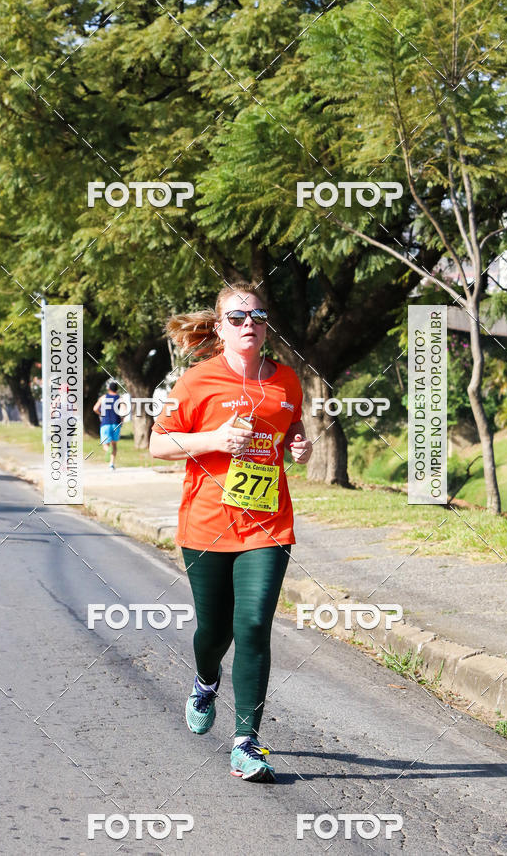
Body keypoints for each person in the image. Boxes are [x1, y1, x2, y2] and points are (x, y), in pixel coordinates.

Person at [149, 282, 313, 783]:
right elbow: (158, 444)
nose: (249, 325)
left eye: (257, 317)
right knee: (214, 632)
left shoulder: (286, 379)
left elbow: (291, 427)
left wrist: (300, 445)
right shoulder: (197, 380)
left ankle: (246, 743)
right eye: (237, 318)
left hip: (268, 523)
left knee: (254, 626)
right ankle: (205, 680)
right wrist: (215, 439)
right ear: (220, 328)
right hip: (206, 526)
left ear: (266, 326)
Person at [93, 380, 123, 469]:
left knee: (105, 444)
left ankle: (107, 450)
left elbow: (95, 408)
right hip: (116, 423)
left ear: (108, 389)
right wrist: (122, 419)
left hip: (105, 423)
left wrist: (101, 413)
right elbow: (124, 410)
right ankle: (111, 464)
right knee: (114, 444)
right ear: (117, 389)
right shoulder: (119, 398)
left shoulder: (103, 397)